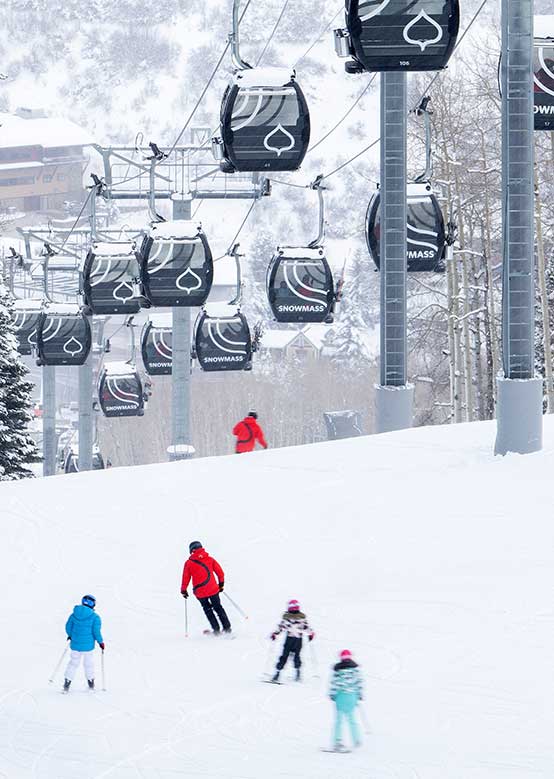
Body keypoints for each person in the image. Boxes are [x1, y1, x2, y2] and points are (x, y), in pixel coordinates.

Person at [181, 541, 232, 634]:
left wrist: (183, 590)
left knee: (207, 609)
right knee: (218, 607)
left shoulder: (188, 563)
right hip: (213, 589)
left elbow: (185, 578)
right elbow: (220, 573)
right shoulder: (210, 559)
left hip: (200, 592)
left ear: (191, 550)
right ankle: (227, 628)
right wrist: (221, 584)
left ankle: (216, 630)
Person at [63, 594, 104, 692]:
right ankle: (91, 683)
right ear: (93, 605)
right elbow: (96, 632)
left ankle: (67, 683)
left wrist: (71, 635)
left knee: (73, 663)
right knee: (88, 664)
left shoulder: (73, 615)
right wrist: (100, 642)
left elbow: (68, 627)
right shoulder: (95, 617)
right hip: (88, 646)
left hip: (75, 645)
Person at [270, 599, 314, 682]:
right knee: (296, 656)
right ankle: (298, 672)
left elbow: (281, 627)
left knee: (284, 656)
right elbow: (306, 627)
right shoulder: (302, 618)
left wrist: (275, 634)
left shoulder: (287, 618)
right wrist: (311, 634)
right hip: (298, 640)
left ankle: (277, 673)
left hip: (289, 639)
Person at [328, 649, 363, 751]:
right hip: (352, 697)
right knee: (352, 719)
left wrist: (332, 695)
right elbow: (359, 683)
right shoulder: (355, 671)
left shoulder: (338, 671)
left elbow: (334, 684)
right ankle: (356, 739)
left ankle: (337, 741)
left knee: (339, 720)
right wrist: (359, 695)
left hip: (341, 696)